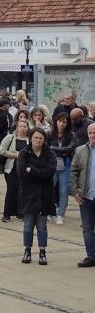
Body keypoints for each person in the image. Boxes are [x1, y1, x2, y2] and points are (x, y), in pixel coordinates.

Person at [17, 128, 57, 265]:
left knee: (42, 225)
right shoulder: (24, 153)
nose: (38, 140)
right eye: (35, 138)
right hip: (28, 194)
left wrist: (32, 170)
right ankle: (27, 250)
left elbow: (50, 172)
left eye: (41, 138)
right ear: (30, 138)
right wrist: (38, 173)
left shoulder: (50, 153)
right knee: (28, 225)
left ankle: (42, 251)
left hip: (45, 194)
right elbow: (22, 173)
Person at [69, 123, 95, 267]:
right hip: (86, 196)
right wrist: (74, 190)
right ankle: (91, 255)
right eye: (90, 133)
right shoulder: (80, 150)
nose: (92, 136)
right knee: (87, 227)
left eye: (94, 133)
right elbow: (73, 171)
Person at [0, 120, 30, 222]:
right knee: (11, 190)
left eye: (25, 126)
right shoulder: (10, 137)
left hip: (25, 170)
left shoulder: (30, 140)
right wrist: (16, 155)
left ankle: (21, 213)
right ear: (17, 127)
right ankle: (7, 214)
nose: (23, 128)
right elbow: (2, 151)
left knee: (23, 191)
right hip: (11, 169)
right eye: (21, 126)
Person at [48, 113, 77, 225]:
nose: (61, 124)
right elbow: (47, 148)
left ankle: (60, 214)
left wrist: (54, 149)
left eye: (64, 121)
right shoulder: (51, 134)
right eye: (59, 121)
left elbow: (70, 148)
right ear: (56, 122)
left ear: (67, 123)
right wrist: (60, 151)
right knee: (50, 189)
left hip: (65, 165)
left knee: (63, 191)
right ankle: (50, 213)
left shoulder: (71, 134)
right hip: (52, 165)